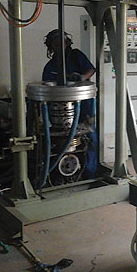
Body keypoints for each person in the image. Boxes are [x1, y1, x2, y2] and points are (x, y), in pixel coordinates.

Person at [42, 29, 98, 179]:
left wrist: (81, 77)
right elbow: (46, 88)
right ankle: (58, 173)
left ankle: (89, 173)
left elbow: (91, 69)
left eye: (62, 42)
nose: (59, 46)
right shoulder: (50, 67)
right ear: (50, 46)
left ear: (67, 43)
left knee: (90, 137)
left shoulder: (76, 56)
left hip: (84, 105)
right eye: (55, 43)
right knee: (60, 140)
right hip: (61, 111)